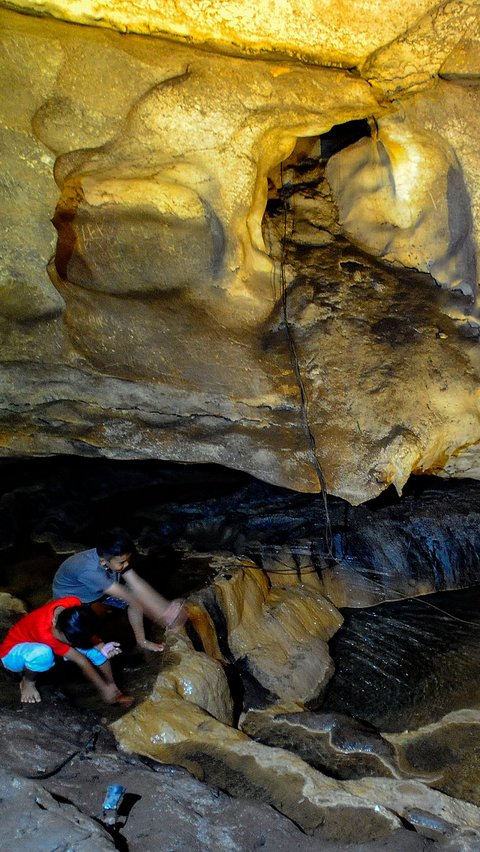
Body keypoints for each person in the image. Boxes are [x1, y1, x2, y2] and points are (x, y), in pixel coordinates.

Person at [52, 528, 185, 652]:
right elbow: (127, 596)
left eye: (128, 560)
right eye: (122, 562)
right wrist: (162, 616)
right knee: (78, 631)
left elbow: (136, 582)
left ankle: (141, 641)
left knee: (135, 599)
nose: (126, 565)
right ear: (104, 562)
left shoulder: (112, 557)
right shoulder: (90, 571)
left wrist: (165, 606)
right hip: (71, 599)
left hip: (96, 589)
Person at [0, 596, 131, 705]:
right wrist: (103, 689)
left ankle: (114, 687)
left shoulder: (72, 603)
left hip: (49, 640)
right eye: (67, 641)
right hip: (12, 654)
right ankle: (27, 682)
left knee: (95, 652)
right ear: (54, 621)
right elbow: (81, 660)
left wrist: (101, 645)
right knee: (43, 654)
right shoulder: (47, 634)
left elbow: (86, 628)